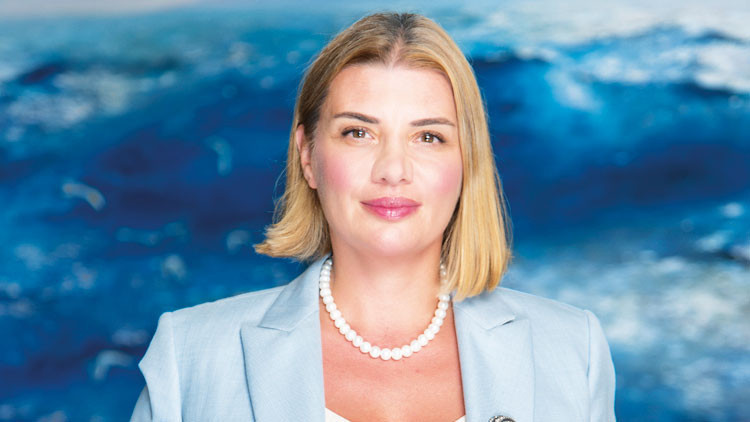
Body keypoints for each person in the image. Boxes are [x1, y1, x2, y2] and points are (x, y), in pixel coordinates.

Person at [130, 12, 616, 422]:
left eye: (429, 137)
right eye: (358, 133)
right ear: (307, 155)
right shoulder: (189, 357)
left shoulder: (574, 350)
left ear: (467, 161)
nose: (393, 170)